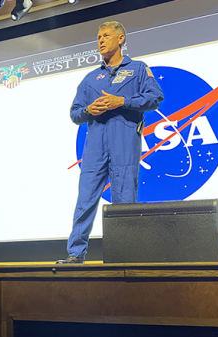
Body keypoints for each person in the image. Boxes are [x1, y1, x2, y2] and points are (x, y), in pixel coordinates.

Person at [58, 21, 164, 264]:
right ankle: (76, 254)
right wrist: (88, 109)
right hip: (95, 146)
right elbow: (75, 114)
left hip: (124, 143)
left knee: (124, 201)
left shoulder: (138, 69)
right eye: (98, 37)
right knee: (85, 200)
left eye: (106, 35)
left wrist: (123, 102)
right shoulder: (90, 78)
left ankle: (123, 255)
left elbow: (155, 97)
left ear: (121, 39)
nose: (100, 41)